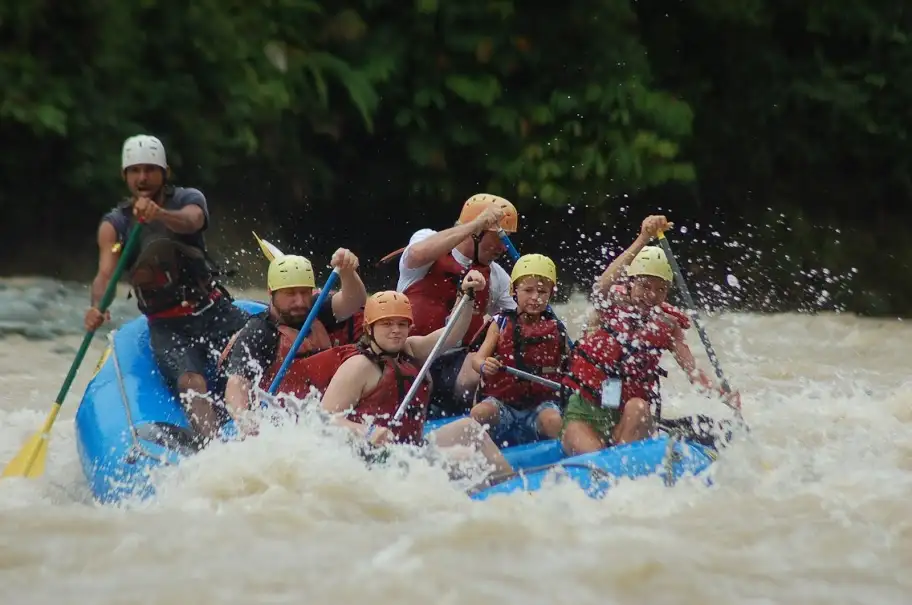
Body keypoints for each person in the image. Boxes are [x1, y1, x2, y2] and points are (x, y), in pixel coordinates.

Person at [84, 134, 249, 444]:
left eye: (150, 169)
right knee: (190, 381)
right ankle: (214, 448)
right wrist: (97, 307)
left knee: (266, 344)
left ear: (165, 173)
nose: (143, 177)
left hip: (213, 309)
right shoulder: (116, 224)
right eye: (135, 171)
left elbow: (193, 221)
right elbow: (104, 274)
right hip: (167, 326)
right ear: (125, 176)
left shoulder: (187, 199)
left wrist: (159, 214)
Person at [560, 215, 742, 456]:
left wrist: (722, 393)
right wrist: (643, 238)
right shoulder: (610, 304)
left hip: (629, 415)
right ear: (631, 282)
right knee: (593, 455)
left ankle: (625, 458)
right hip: (586, 410)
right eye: (645, 286)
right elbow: (600, 286)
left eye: (661, 289)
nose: (652, 295)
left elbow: (693, 372)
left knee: (639, 406)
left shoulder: (667, 325)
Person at [319, 280, 513, 476]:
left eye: (402, 324)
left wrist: (467, 296)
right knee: (463, 457)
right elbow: (324, 420)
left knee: (470, 428)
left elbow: (452, 335)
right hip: (372, 458)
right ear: (369, 328)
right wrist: (367, 432)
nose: (396, 330)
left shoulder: (409, 349)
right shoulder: (358, 366)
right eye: (387, 323)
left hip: (410, 448)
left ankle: (508, 486)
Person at [392, 193, 520, 416]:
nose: (503, 247)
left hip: (457, 362)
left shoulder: (497, 276)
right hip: (412, 354)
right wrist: (477, 223)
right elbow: (417, 253)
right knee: (419, 380)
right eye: (498, 237)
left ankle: (486, 421)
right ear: (476, 232)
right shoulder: (427, 239)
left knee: (488, 368)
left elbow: (522, 315)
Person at [221, 238, 367, 426]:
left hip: (322, 414)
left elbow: (354, 300)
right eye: (290, 294)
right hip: (278, 420)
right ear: (270, 292)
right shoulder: (260, 331)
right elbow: (237, 383)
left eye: (305, 292)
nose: (299, 302)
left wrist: (347, 272)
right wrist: (245, 419)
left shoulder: (316, 310)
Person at [465, 254, 569, 446]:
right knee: (478, 413)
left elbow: (569, 368)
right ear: (514, 290)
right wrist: (484, 366)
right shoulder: (501, 322)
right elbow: (476, 360)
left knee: (554, 422)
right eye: (528, 290)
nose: (535, 297)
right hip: (502, 404)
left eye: (542, 291)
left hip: (540, 406)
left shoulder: (557, 328)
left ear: (550, 294)